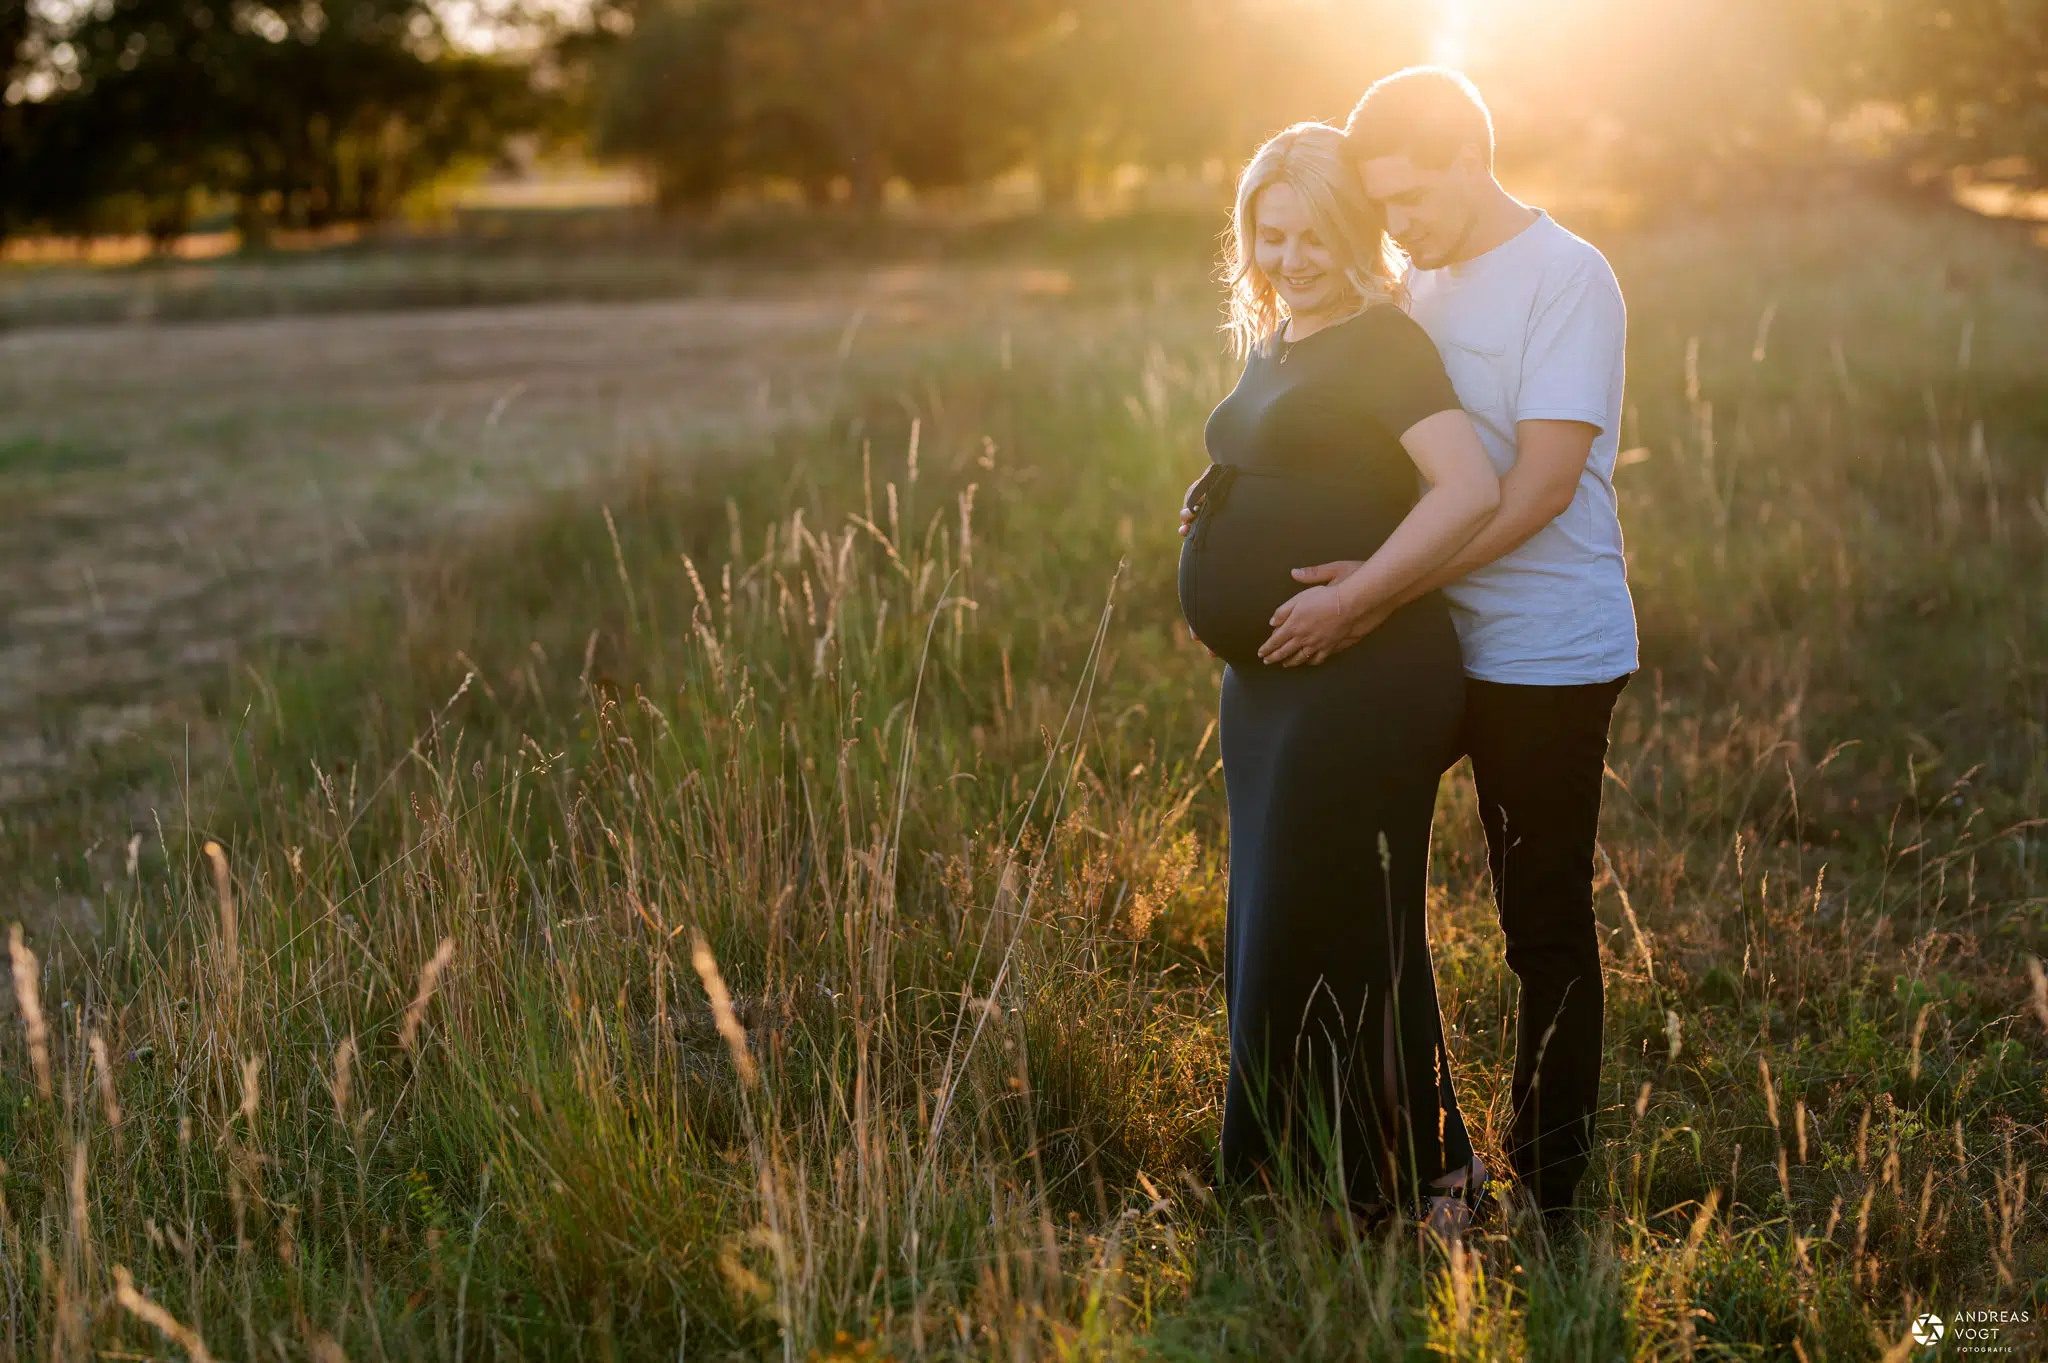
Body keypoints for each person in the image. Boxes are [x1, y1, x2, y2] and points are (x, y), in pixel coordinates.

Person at [1263, 67, 1638, 1225]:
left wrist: (1373, 589)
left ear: (1472, 162)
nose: (1398, 227)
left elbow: (1531, 489)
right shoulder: (1412, 273)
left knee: (1540, 929)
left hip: (1543, 655)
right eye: (1382, 205)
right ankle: (1423, 1159)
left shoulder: (1567, 278)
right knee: (1372, 897)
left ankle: (1549, 1190)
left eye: (1413, 200)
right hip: (1420, 647)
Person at [1175, 121, 1500, 1232]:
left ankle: (1413, 1176)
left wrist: (1352, 599)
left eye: (1313, 236)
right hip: (1271, 687)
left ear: (1351, 236)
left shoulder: (1382, 344)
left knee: (1356, 925)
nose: (1291, 256)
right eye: (1270, 236)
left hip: (1363, 673)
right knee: (1277, 915)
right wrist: (1213, 503)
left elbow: (1465, 492)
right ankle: (1289, 1168)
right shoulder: (1279, 334)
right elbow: (1286, 452)